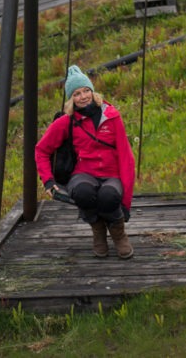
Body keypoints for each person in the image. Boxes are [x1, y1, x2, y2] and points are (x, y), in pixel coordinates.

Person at [35, 65, 136, 258]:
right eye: (77, 93)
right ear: (71, 99)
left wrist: (126, 201)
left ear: (93, 91)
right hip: (83, 173)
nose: (83, 96)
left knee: (109, 196)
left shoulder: (112, 117)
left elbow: (126, 157)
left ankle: (118, 234)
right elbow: (41, 149)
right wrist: (47, 180)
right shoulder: (67, 121)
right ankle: (98, 231)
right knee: (83, 192)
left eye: (86, 90)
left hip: (111, 174)